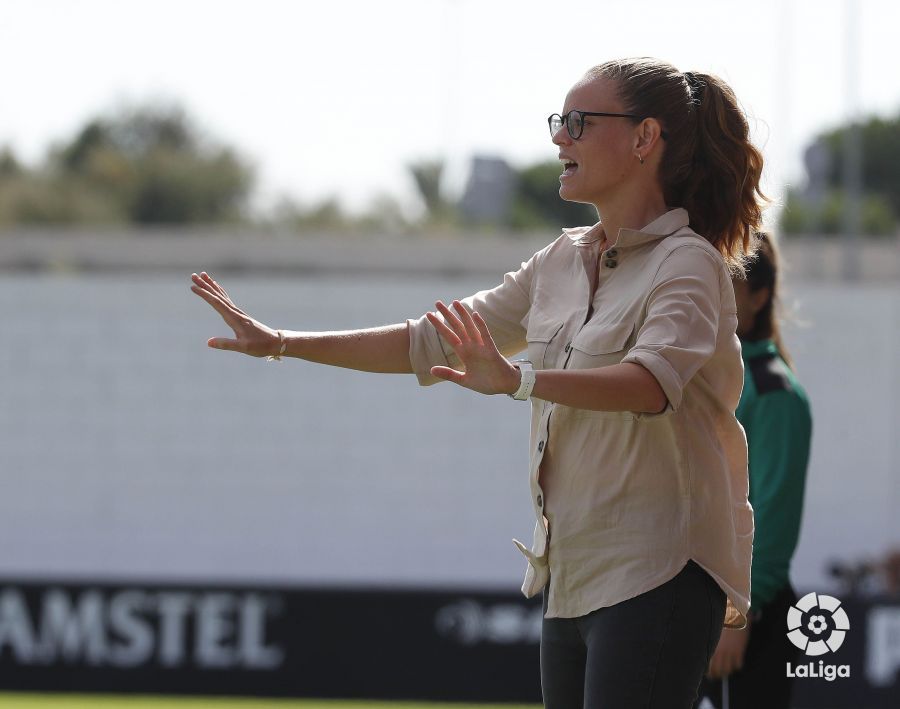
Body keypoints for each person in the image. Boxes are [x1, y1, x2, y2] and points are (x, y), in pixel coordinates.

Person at [190, 57, 766, 708]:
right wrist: (284, 343)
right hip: (573, 572)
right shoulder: (558, 262)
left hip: (661, 568)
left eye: (579, 121)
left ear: (643, 138)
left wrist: (519, 380)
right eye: (560, 121)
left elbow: (649, 385)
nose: (559, 138)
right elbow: (428, 341)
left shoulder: (687, 262)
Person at [695, 233, 813, 709]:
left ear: (759, 296)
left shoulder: (774, 392)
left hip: (746, 622)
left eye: (728, 283)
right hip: (692, 605)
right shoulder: (700, 378)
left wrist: (736, 615)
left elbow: (774, 522)